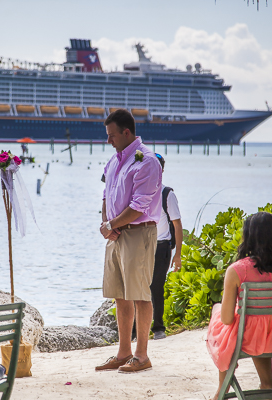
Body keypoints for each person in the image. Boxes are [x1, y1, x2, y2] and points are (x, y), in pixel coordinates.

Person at [96, 109, 162, 373]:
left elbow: (139, 206)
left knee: (139, 294)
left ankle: (142, 355)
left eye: (112, 135)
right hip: (115, 235)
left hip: (138, 232)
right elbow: (105, 195)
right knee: (120, 296)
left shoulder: (147, 161)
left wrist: (112, 224)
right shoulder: (114, 161)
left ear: (127, 132)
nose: (108, 140)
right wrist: (106, 225)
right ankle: (123, 353)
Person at [206, 212, 272, 400]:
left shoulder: (238, 270)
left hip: (249, 339)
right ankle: (269, 384)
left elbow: (227, 319)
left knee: (219, 314)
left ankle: (221, 390)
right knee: (261, 322)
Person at [150, 154, 183, 340]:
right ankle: (135, 331)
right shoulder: (139, 191)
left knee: (156, 287)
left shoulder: (167, 194)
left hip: (161, 247)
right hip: (142, 245)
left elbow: (177, 225)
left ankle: (158, 328)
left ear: (161, 170)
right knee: (139, 287)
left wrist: (177, 255)